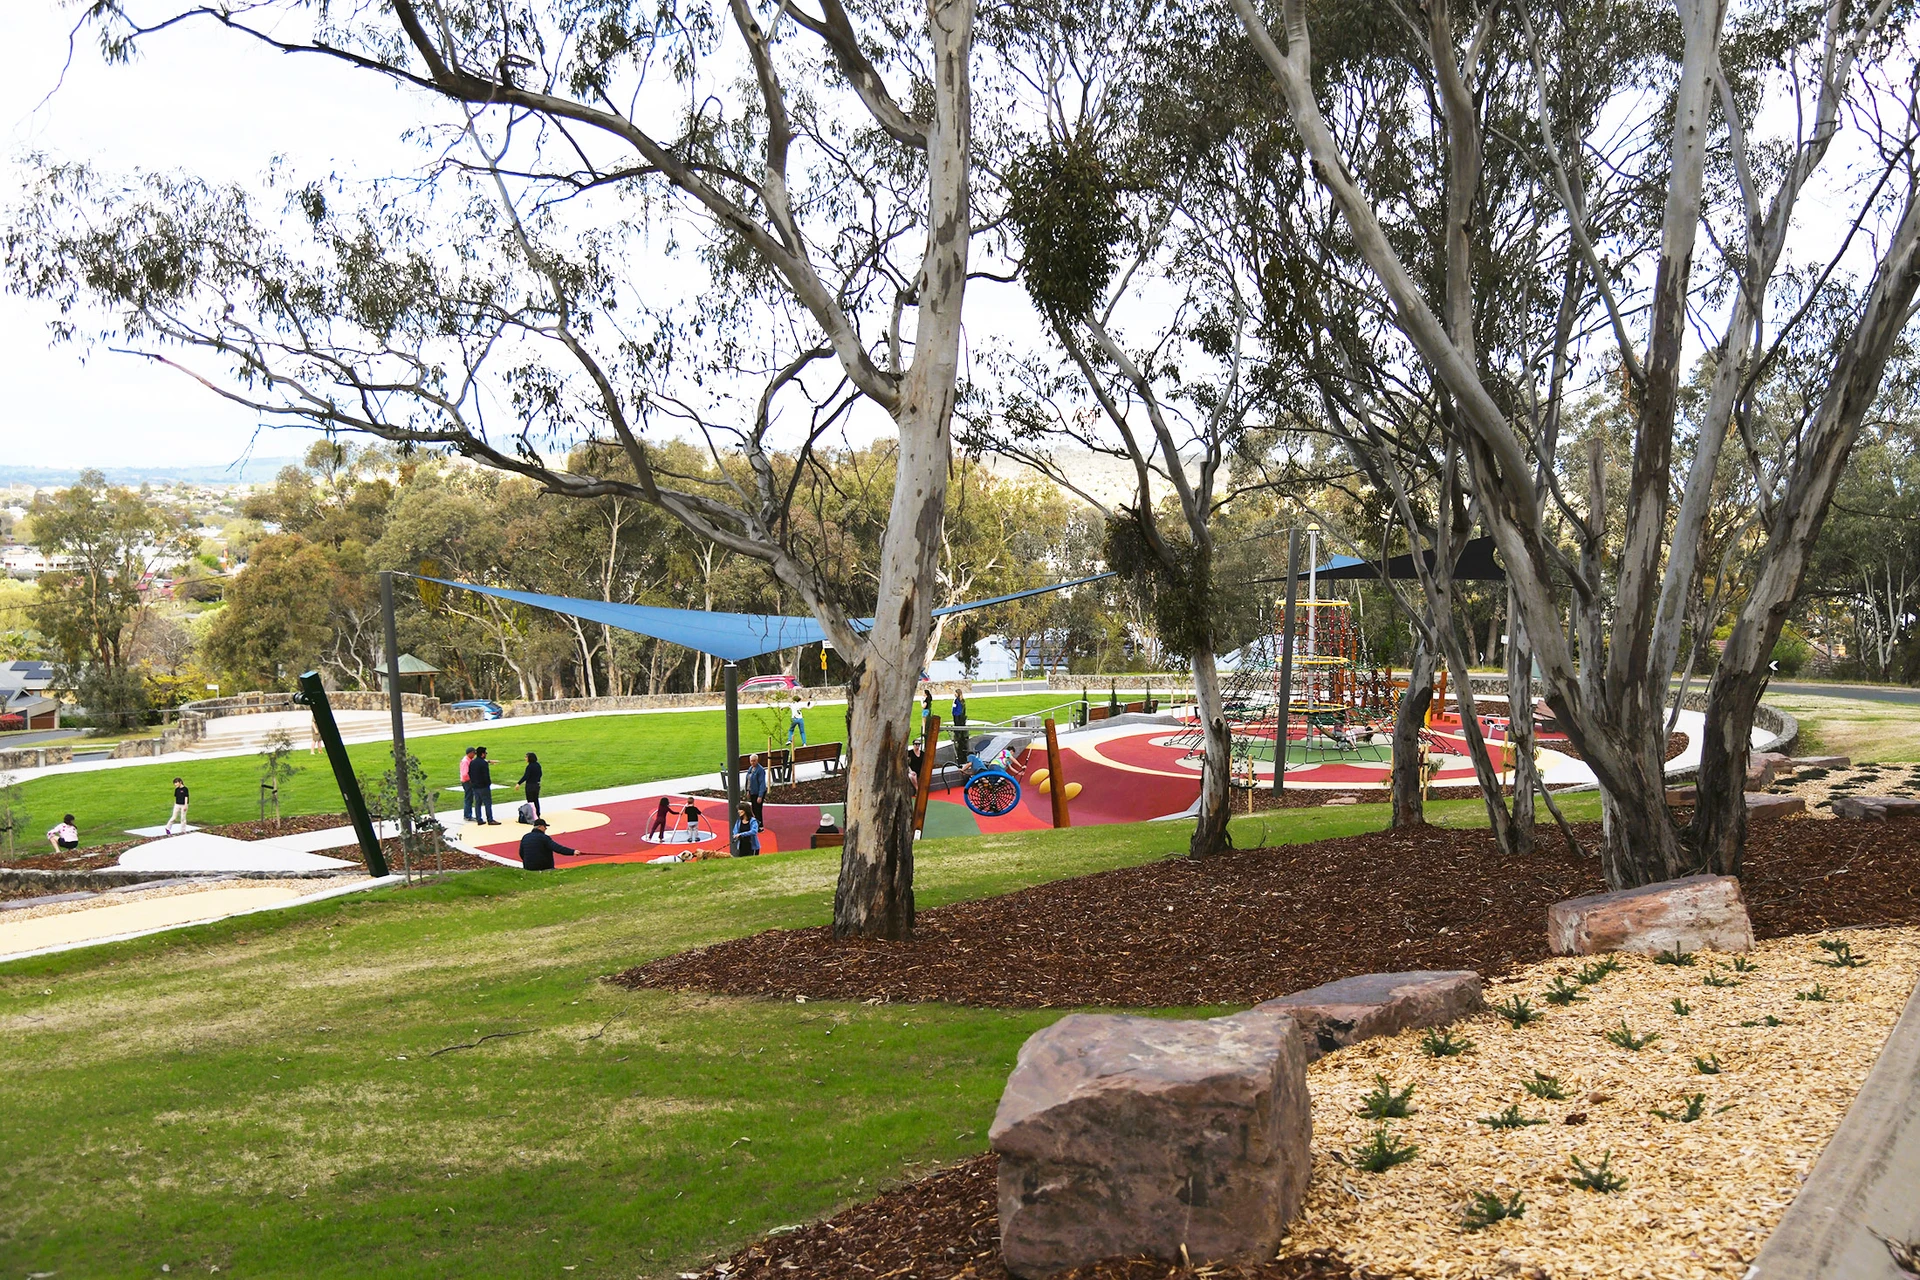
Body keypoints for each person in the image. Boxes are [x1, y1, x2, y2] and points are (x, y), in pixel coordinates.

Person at [470, 746, 498, 824]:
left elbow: (470, 773)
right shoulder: (483, 763)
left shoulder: (472, 762)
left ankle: (479, 819)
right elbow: (486, 775)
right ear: (482, 754)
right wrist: (488, 783)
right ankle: (490, 819)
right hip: (483, 786)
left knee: (478, 803)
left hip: (475, 786)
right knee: (487, 803)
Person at [515, 752, 544, 818]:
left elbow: (526, 776)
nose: (525, 758)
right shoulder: (538, 765)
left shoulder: (529, 767)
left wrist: (519, 783)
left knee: (530, 801)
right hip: (537, 784)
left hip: (530, 785)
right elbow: (540, 774)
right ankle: (537, 814)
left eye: (526, 757)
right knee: (536, 800)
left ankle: (532, 815)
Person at [745, 753, 769, 827]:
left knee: (758, 809)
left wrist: (760, 796)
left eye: (754, 761)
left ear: (757, 760)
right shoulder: (750, 769)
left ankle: (760, 825)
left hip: (758, 792)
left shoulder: (760, 770)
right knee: (754, 809)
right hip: (752, 792)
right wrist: (747, 791)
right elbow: (748, 781)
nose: (752, 762)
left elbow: (762, 783)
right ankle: (756, 823)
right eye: (751, 761)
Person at [951, 688, 969, 766]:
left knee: (959, 740)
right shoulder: (962, 701)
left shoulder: (957, 701)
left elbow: (956, 711)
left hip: (958, 721)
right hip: (960, 721)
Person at [460, 747, 477, 822]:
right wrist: (471, 780)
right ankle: (467, 815)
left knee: (470, 798)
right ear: (470, 753)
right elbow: (465, 774)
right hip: (467, 782)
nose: (474, 754)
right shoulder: (465, 761)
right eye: (473, 753)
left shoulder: (470, 760)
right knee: (468, 798)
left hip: (469, 782)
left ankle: (468, 814)